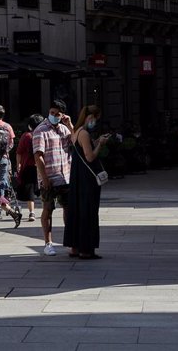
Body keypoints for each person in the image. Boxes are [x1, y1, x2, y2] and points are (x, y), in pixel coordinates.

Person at [63, 105, 111, 259]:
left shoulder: (76, 132)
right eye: (95, 119)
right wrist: (101, 144)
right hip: (87, 179)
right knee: (87, 211)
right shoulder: (84, 133)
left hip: (77, 177)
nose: (95, 122)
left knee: (77, 210)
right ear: (90, 117)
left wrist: (95, 141)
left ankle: (75, 247)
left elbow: (83, 150)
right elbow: (90, 157)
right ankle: (86, 249)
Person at [33, 99, 73, 256]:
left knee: (68, 209)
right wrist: (45, 178)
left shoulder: (64, 129)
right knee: (48, 209)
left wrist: (70, 125)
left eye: (57, 114)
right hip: (49, 177)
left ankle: (70, 240)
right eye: (52, 113)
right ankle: (48, 243)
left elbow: (77, 142)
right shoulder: (41, 130)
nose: (54, 116)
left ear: (63, 115)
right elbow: (38, 156)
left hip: (65, 177)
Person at [16, 114, 44, 222]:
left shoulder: (26, 136)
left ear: (30, 126)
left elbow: (19, 152)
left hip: (28, 167)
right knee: (42, 188)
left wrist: (18, 164)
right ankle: (46, 210)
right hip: (42, 165)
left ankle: (32, 212)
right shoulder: (44, 134)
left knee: (30, 191)